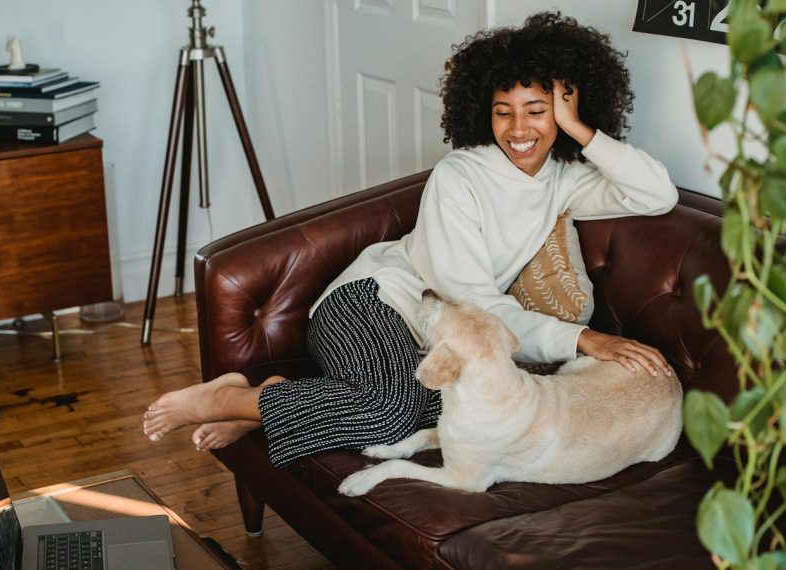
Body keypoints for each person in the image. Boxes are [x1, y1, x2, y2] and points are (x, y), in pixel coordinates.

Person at [143, 12, 678, 468]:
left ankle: (259, 403)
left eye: (537, 111)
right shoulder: (460, 175)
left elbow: (656, 194)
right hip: (374, 303)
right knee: (391, 409)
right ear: (480, 110)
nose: (519, 128)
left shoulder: (564, 179)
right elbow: (474, 303)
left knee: (457, 406)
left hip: (439, 333)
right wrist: (583, 340)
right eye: (503, 111)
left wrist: (579, 128)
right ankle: (235, 399)